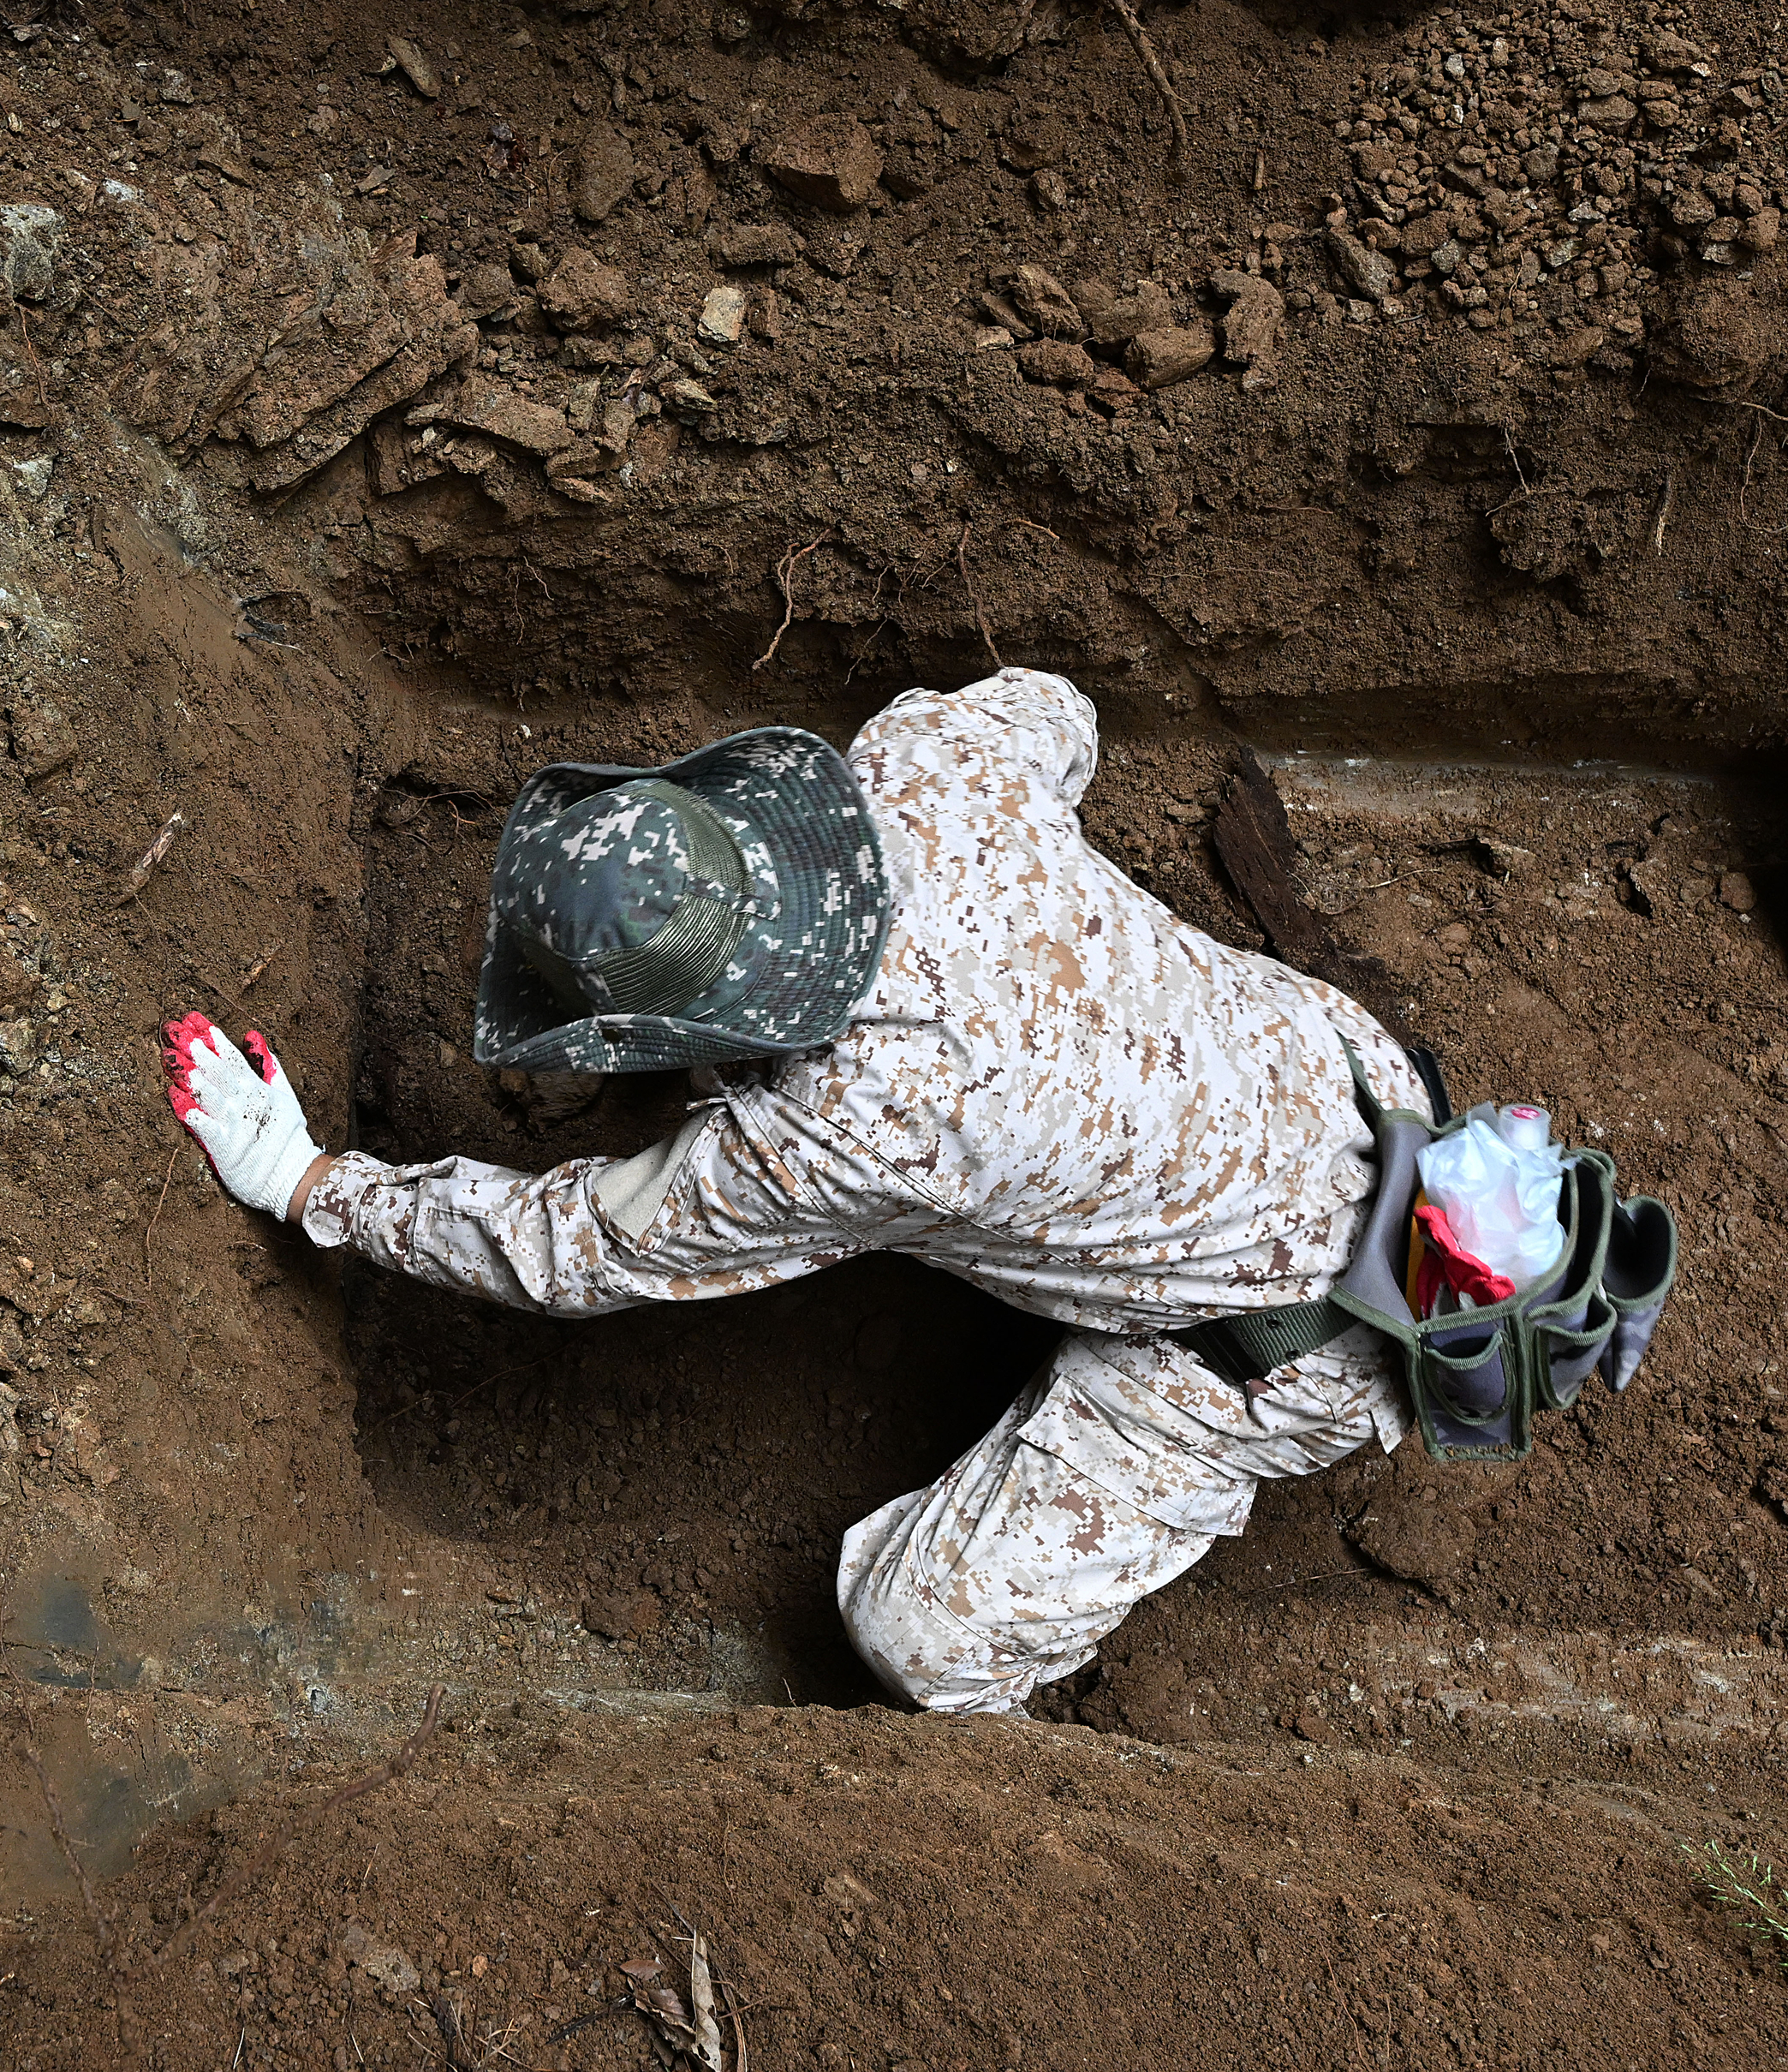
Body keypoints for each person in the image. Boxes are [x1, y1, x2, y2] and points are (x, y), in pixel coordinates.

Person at [162, 667, 1429, 1716]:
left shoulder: (842, 1131)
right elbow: (1063, 711)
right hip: (1362, 1080)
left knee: (921, 1641)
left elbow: (570, 1250)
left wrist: (312, 1182)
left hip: (1295, 1339)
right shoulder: (927, 759)